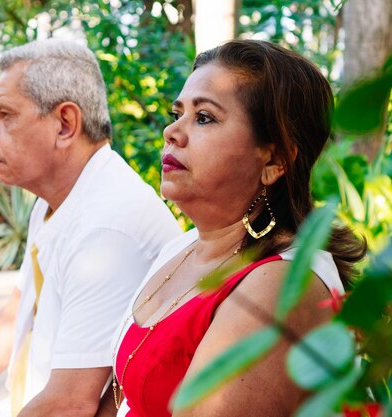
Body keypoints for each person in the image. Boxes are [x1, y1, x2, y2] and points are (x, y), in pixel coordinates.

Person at [0, 39, 182, 417]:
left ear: (65, 124)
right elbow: (14, 316)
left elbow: (71, 404)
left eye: (5, 114)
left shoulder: (108, 230)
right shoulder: (58, 198)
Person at [98, 40, 367, 417]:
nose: (172, 132)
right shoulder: (181, 249)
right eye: (177, 113)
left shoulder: (281, 284)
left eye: (204, 117)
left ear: (274, 160)